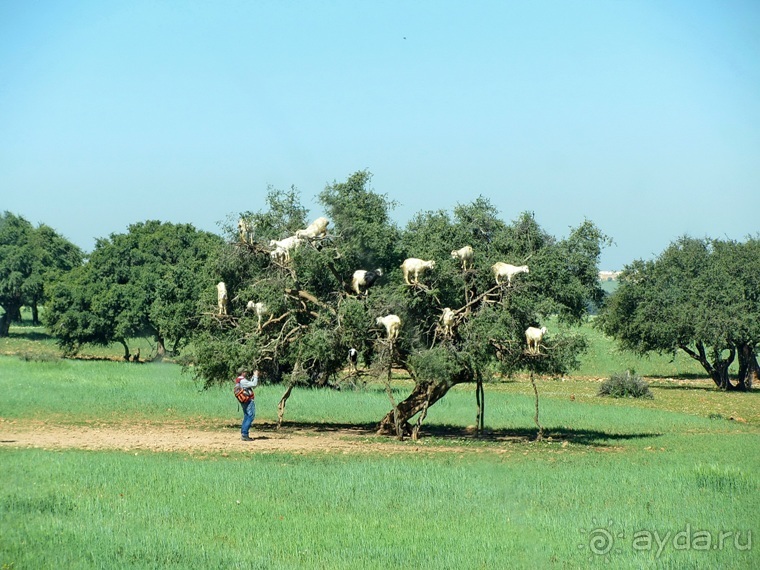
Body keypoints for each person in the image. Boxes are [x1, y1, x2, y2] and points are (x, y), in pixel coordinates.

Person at [236, 367, 259, 441]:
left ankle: (244, 433)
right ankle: (245, 434)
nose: (246, 373)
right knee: (250, 416)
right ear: (242, 373)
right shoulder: (243, 381)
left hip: (244, 400)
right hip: (248, 400)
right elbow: (254, 385)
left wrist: (253, 377)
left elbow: (250, 385)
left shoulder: (239, 380)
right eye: (245, 372)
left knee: (246, 416)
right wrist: (255, 376)